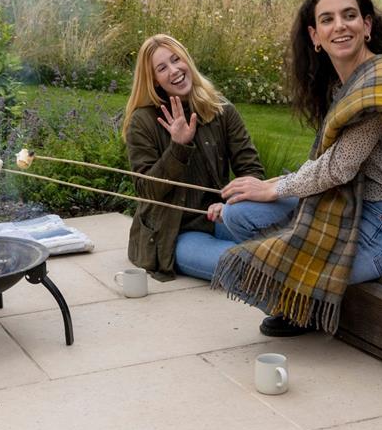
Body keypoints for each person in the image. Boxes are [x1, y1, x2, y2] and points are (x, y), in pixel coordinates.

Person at [214, 0, 382, 336]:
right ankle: (304, 300)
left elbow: (341, 165)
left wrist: (274, 189)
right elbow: (329, 163)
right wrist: (269, 184)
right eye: (327, 19)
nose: (340, 26)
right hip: (345, 204)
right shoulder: (341, 85)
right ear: (315, 37)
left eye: (349, 15)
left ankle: (303, 306)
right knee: (238, 214)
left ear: (366, 25)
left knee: (246, 270)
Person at [122, 34, 297, 282]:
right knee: (247, 266)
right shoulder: (143, 121)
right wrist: (178, 147)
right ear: (155, 81)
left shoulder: (221, 109)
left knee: (292, 218)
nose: (174, 70)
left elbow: (251, 171)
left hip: (219, 217)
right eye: (162, 68)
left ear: (187, 61)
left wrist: (232, 205)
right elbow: (147, 190)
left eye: (176, 59)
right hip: (177, 233)